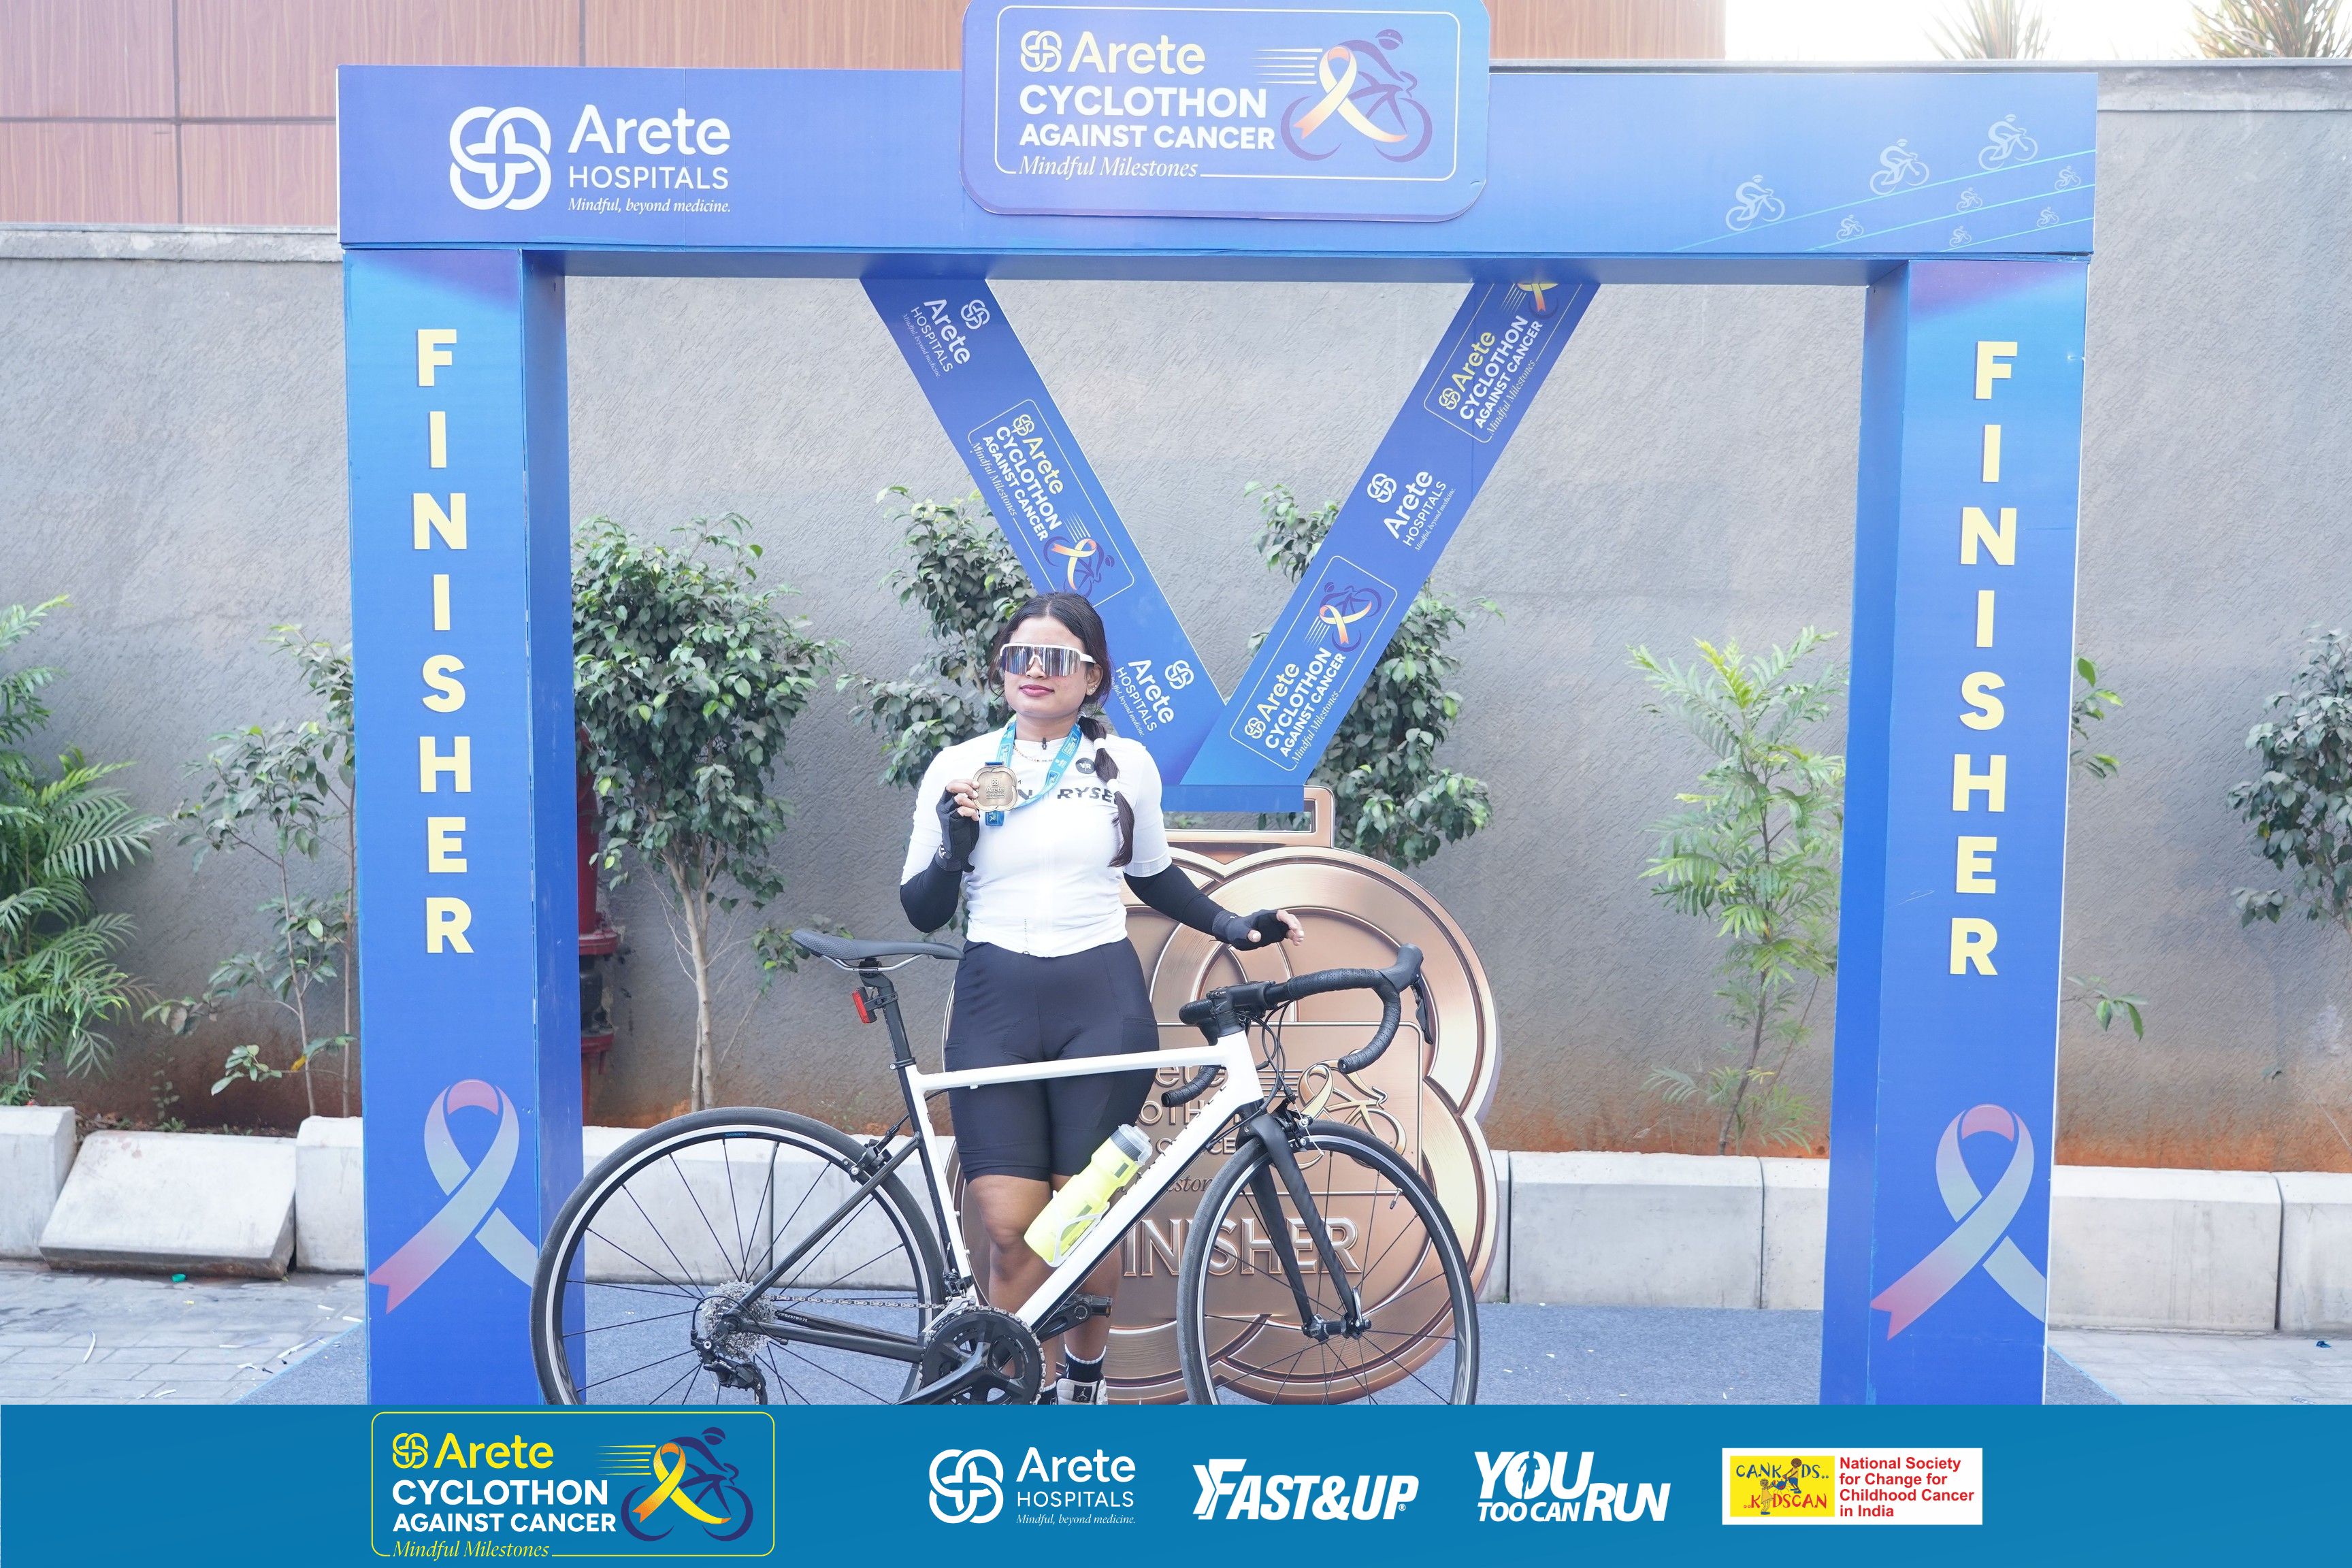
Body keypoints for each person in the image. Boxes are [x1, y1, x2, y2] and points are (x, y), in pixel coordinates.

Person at [899, 590, 1304, 1405]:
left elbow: (1154, 874)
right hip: (992, 1001)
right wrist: (952, 851)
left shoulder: (1127, 764)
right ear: (1000, 670)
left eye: (1058, 659)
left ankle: (1083, 1386)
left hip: (1100, 1002)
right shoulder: (959, 766)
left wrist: (1234, 924)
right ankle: (1021, 1386)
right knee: (1010, 1227)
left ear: (1092, 677)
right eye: (1020, 656)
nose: (1036, 671)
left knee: (1085, 1212)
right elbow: (921, 909)